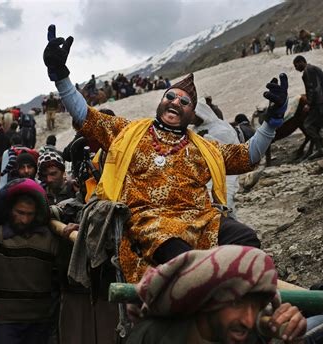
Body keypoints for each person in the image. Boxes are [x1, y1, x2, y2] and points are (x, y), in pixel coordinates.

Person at [43, 24, 289, 284]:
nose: (175, 102)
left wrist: (270, 124)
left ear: (191, 113)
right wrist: (61, 76)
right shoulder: (128, 131)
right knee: (183, 258)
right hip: (151, 223)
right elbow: (86, 116)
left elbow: (247, 156)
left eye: (184, 102)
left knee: (245, 239)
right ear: (161, 101)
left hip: (201, 219)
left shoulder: (204, 147)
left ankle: (250, 305)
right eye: (170, 96)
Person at [126, 245, 307, 343]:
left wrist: (292, 340)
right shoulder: (153, 336)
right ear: (209, 301)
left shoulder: (251, 334)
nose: (249, 321)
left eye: (256, 306)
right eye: (237, 304)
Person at [0, 178, 64, 344]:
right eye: (20, 213)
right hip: (6, 320)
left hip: (39, 320)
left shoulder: (48, 239)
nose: (24, 220)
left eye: (29, 214)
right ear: (9, 211)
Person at [192, 98, 241, 217]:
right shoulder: (194, 130)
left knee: (225, 207)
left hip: (225, 175)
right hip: (204, 178)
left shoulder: (221, 129)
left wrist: (205, 139)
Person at [293, 55, 323, 160]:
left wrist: (309, 104)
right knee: (316, 126)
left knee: (307, 125)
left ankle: (320, 149)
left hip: (320, 102)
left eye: (296, 65)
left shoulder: (308, 71)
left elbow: (313, 88)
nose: (296, 68)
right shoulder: (315, 68)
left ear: (301, 62)